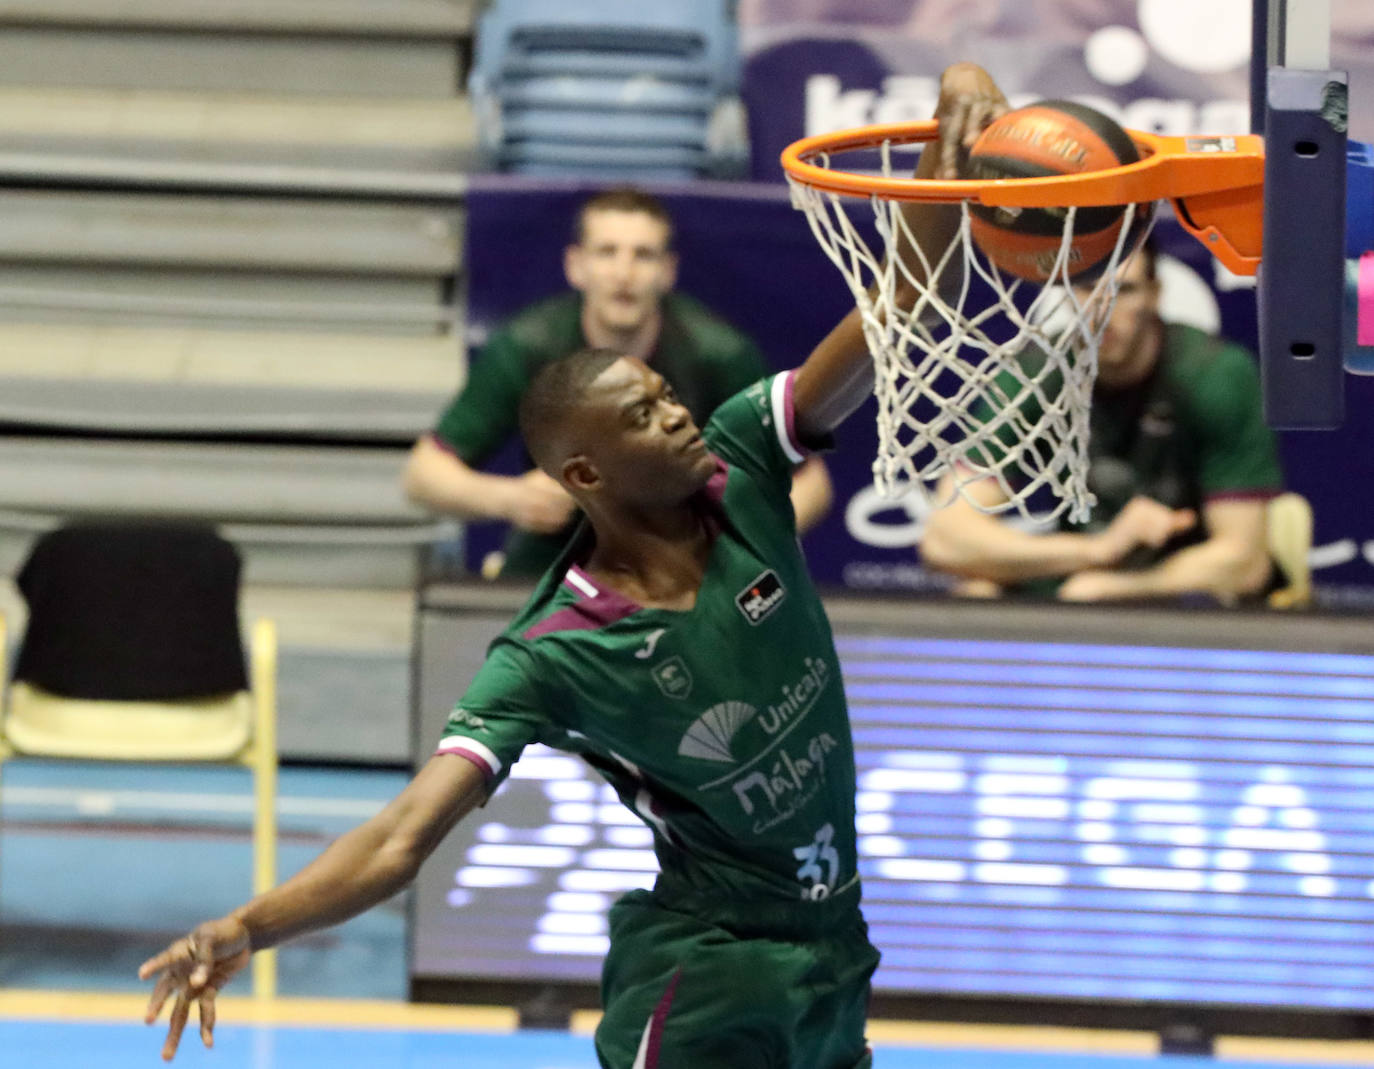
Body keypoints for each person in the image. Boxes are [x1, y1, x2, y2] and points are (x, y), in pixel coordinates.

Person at [137, 62, 1009, 1068]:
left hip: (834, 953)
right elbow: (398, 840)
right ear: (588, 469)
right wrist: (248, 925)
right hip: (709, 971)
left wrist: (951, 136)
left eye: (667, 393)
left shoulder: (745, 464)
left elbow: (906, 308)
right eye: (644, 413)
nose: (677, 411)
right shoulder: (557, 649)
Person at [403, 187, 833, 578]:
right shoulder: (529, 346)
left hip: (682, 575)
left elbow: (811, 484)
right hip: (551, 568)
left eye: (643, 255)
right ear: (576, 266)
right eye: (607, 252)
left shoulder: (719, 355)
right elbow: (422, 475)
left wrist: (730, 546)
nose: (623, 272)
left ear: (667, 271)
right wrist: (512, 499)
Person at [918, 236, 1284, 604]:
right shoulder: (1035, 373)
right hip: (1079, 573)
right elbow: (944, 540)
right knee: (977, 593)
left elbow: (1244, 563)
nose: (1102, 308)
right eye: (1087, 287)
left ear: (1154, 295)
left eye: (1123, 290)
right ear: (1064, 293)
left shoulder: (1215, 374)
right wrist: (1098, 551)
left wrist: (1122, 589)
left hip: (1185, 587)